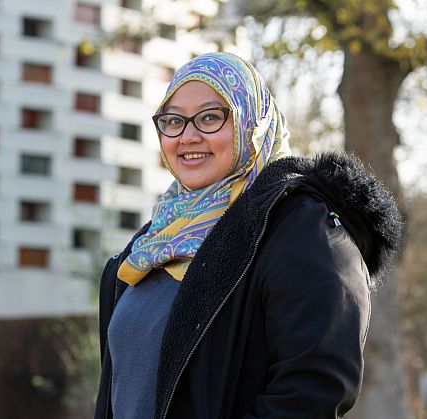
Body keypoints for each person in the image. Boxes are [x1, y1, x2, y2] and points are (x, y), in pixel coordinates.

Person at [93, 52, 403, 419]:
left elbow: (311, 394)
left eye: (211, 117)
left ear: (253, 124)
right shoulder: (154, 242)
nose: (187, 136)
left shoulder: (303, 229)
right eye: (173, 120)